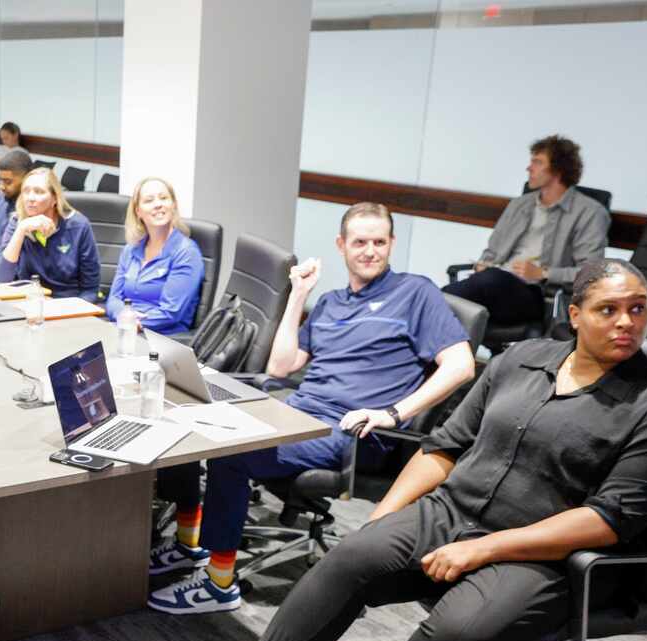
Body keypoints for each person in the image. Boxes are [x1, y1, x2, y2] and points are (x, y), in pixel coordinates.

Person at [180, 258, 647, 641]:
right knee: (349, 557)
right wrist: (382, 516)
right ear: (576, 314)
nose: (627, 322)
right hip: (453, 509)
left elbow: (607, 520)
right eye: (609, 310)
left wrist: (482, 549)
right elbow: (442, 448)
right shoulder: (522, 360)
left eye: (638, 309)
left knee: (459, 635)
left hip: (550, 556)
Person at [148, 203, 476, 613]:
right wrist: (298, 295)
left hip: (353, 431)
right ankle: (187, 542)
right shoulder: (330, 303)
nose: (370, 251)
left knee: (231, 454)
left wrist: (392, 413)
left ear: (392, 244)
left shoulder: (416, 292)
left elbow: (461, 365)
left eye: (379, 242)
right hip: (298, 414)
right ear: (342, 246)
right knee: (193, 422)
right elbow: (280, 366)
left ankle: (219, 584)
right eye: (360, 242)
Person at [444, 135, 609, 333]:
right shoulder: (519, 205)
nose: (529, 168)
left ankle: (436, 306)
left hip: (534, 295)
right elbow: (492, 252)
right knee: (465, 293)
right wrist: (483, 264)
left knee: (475, 289)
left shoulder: (589, 212)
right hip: (491, 285)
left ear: (557, 169)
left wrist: (543, 273)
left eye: (537, 162)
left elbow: (590, 273)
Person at [105, 177, 205, 335]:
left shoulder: (186, 252)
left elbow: (170, 313)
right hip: (124, 329)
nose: (158, 204)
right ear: (138, 211)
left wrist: (132, 322)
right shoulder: (130, 250)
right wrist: (121, 316)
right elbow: (113, 299)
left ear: (173, 205)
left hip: (162, 338)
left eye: (164, 198)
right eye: (149, 200)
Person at [0, 166, 100, 302]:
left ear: (54, 199)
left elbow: (90, 289)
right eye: (26, 192)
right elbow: (3, 278)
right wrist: (21, 230)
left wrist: (71, 310)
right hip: (27, 303)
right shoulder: (17, 222)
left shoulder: (78, 226)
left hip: (66, 305)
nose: (30, 198)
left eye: (39, 192)